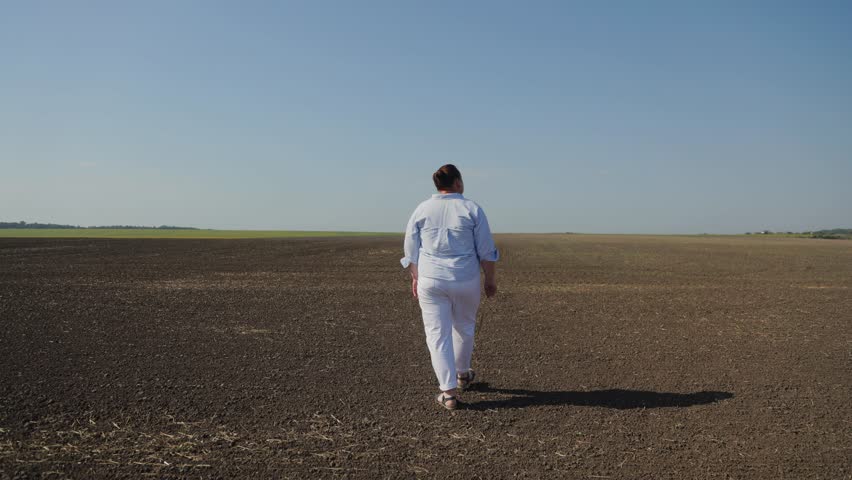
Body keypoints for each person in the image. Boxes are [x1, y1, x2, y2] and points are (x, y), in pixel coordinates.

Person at [400, 164, 499, 410]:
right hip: (465, 279)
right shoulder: (471, 209)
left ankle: (448, 392)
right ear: (457, 183)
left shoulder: (422, 209)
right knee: (464, 327)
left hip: (431, 280)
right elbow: (486, 250)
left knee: (437, 335)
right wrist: (490, 279)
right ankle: (463, 374)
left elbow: (411, 251)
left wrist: (415, 277)